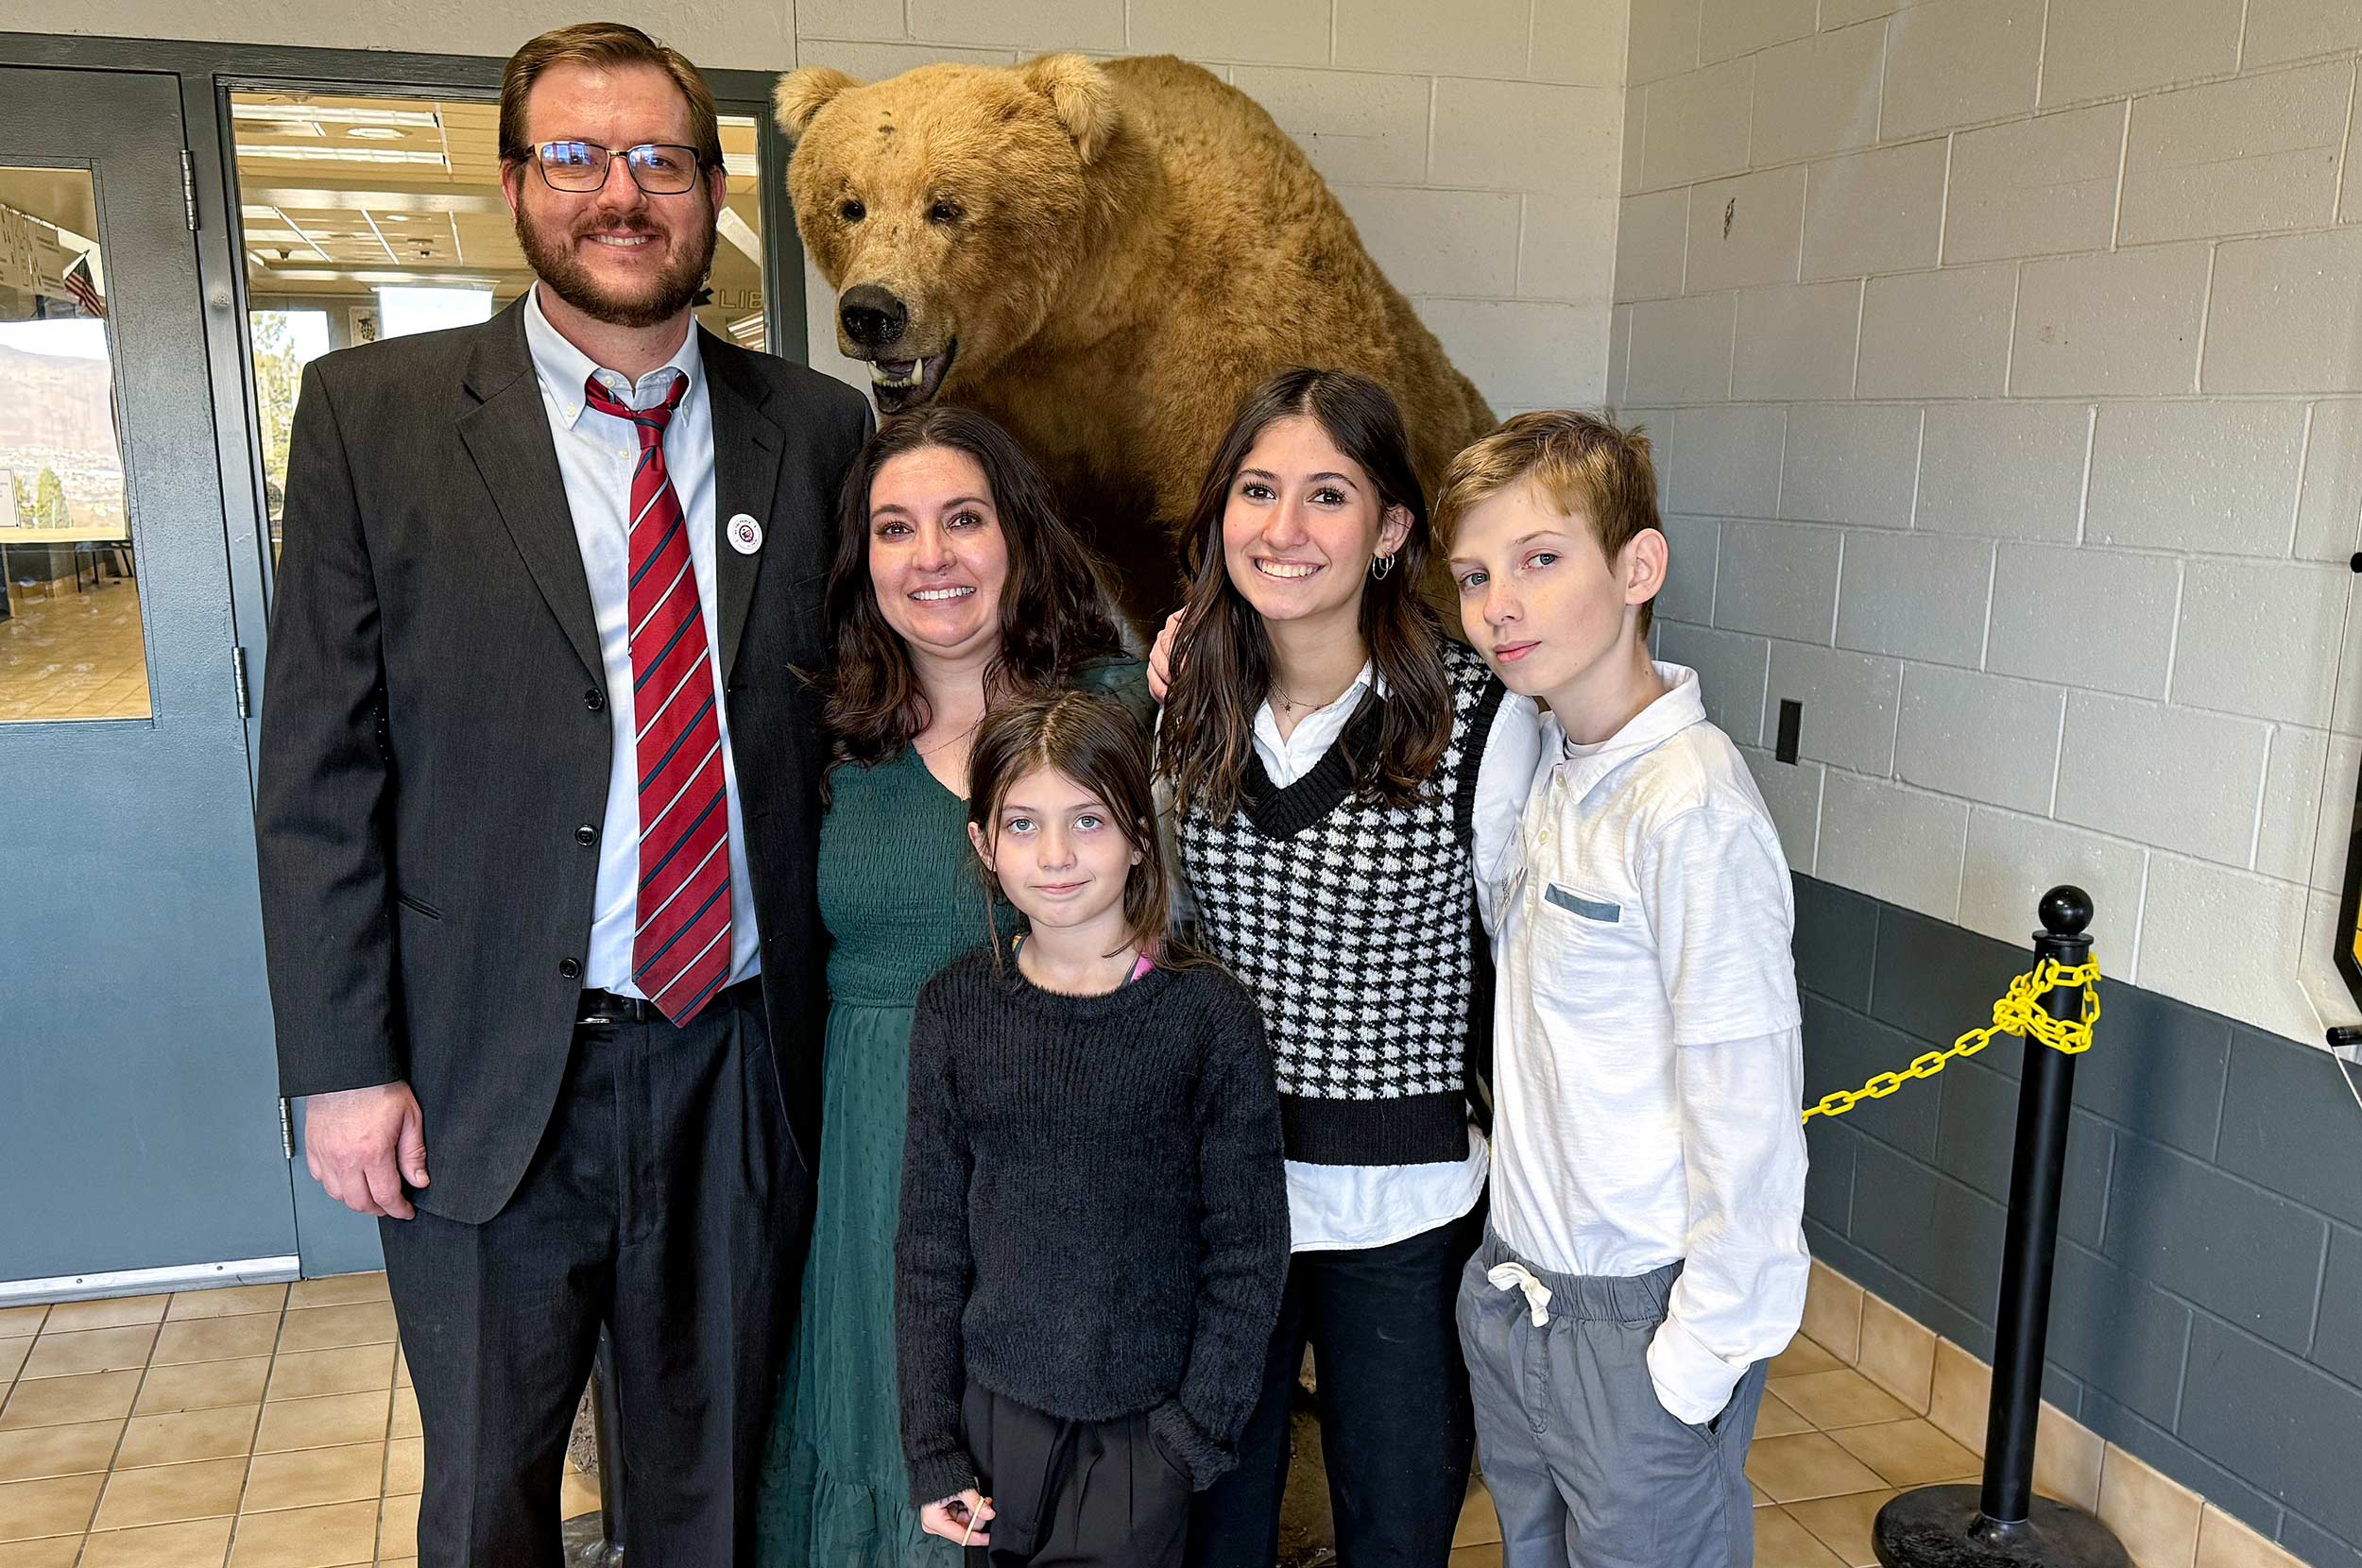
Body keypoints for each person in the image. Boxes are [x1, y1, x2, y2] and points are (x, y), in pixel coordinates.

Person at [252, 23, 872, 1566]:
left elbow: (883, 698)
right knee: (486, 1499)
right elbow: (322, 771)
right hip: (479, 1077)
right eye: (579, 156)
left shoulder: (818, 429)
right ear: (519, 182)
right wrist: (342, 1067)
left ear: (712, 188)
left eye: (660, 159)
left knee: (711, 1490)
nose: (622, 192)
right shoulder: (373, 418)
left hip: (737, 1065)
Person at [1153, 368, 1541, 1568]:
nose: (1283, 529)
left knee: (1397, 1522)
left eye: (1328, 495)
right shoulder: (1187, 706)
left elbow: (1520, 977)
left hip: (1405, 1207)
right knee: (1217, 1521)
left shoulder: (1479, 719)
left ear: (1389, 532)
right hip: (1225, 1196)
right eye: (1257, 491)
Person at [756, 407, 1153, 1567]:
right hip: (878, 1156)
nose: (931, 556)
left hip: (1054, 1161)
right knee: (887, 1442)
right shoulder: (825, 735)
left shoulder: (1119, 708)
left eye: (963, 518)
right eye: (895, 528)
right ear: (861, 560)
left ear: (1017, 536)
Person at [1435, 411, 1809, 1568]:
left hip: (1638, 1323)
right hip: (1518, 1295)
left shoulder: (1689, 806)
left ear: (1637, 568)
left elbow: (1749, 1113)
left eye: (1541, 560)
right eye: (1474, 574)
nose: (1501, 603)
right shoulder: (1555, 760)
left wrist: (1691, 1366)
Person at [896, 690, 1290, 1568]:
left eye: (1089, 821)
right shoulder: (956, 1009)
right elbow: (928, 1242)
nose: (1058, 856)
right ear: (982, 844)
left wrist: (1191, 1436)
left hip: (1144, 1429)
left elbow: (1249, 1248)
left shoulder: (1207, 1018)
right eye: (1023, 825)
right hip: (997, 1420)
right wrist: (933, 1447)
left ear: (1140, 839)